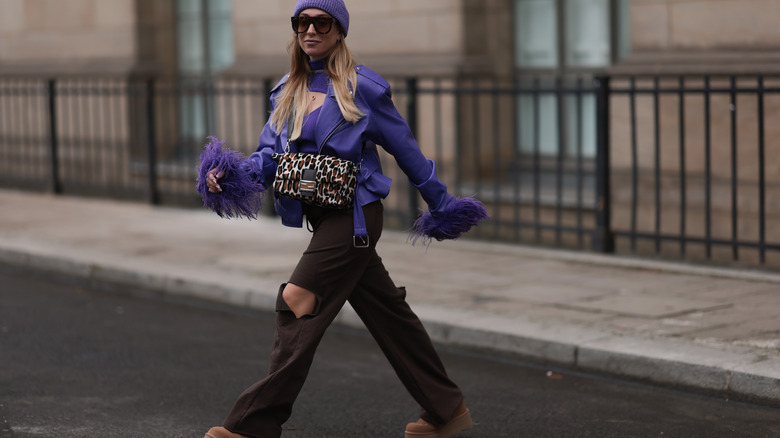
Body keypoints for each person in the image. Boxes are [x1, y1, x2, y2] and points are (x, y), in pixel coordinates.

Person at [196, 1, 488, 437]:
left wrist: (441, 203)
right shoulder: (286, 89)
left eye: (322, 22)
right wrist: (228, 172)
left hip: (355, 217)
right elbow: (269, 157)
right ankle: (447, 410)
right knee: (389, 315)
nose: (310, 30)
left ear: (339, 31)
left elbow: (406, 150)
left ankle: (252, 425)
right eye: (302, 22)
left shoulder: (362, 87)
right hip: (321, 215)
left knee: (297, 299)